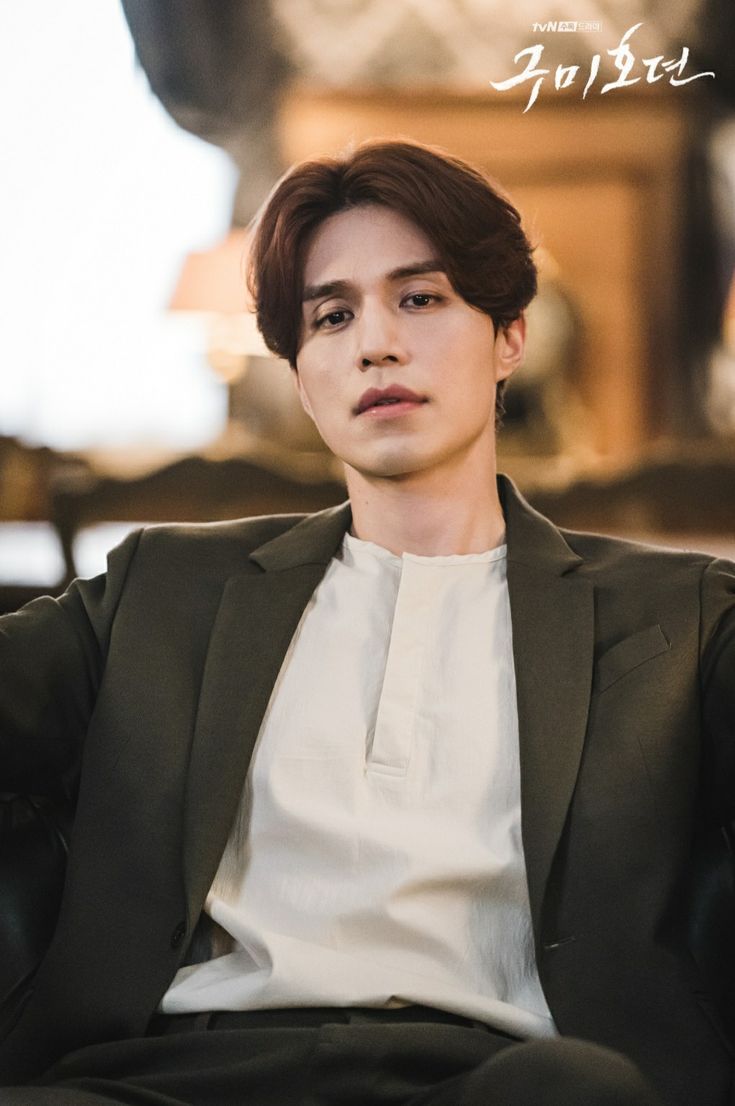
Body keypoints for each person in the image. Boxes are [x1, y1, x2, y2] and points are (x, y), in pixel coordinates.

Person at [1, 138, 733, 1106]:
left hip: (499, 1073)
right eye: (331, 314)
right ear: (303, 372)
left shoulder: (676, 619)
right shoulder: (165, 587)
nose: (373, 342)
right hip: (175, 1073)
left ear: (509, 332)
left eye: (420, 299)